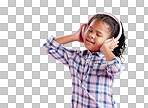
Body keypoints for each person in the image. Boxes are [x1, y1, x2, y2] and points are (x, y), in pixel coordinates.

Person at [42, 12, 126, 108]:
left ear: (109, 41)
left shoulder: (108, 61)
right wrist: (74, 36)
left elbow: (117, 69)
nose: (91, 35)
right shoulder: (76, 57)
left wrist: (105, 49)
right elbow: (48, 47)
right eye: (90, 30)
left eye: (98, 35)